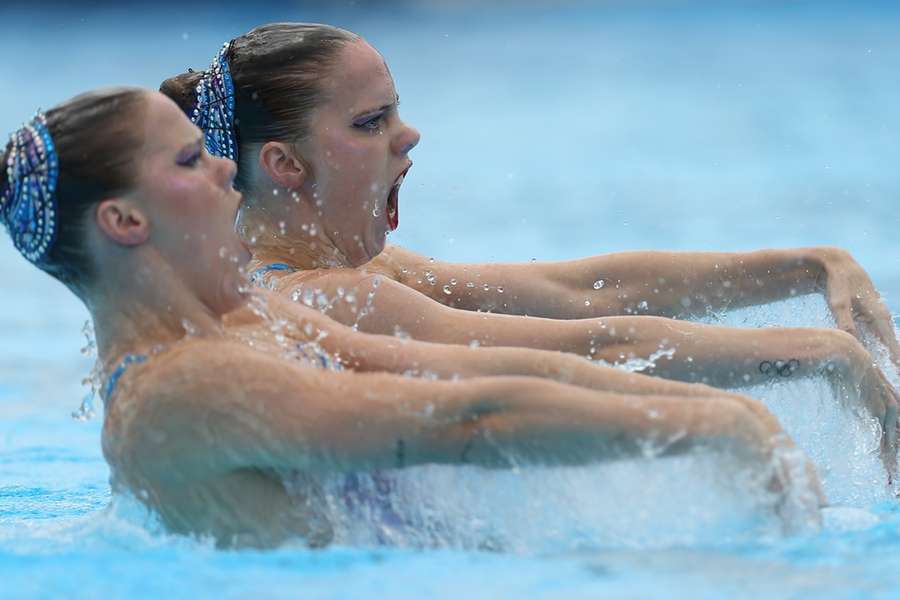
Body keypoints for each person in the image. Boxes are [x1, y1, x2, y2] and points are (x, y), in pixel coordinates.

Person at [0, 88, 820, 548]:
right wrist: (710, 426)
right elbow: (465, 422)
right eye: (188, 160)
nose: (223, 168)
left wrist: (720, 411)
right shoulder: (182, 393)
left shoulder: (248, 325)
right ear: (124, 222)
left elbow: (471, 374)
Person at [159, 24, 900, 414]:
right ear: (286, 166)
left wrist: (810, 265)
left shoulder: (327, 277)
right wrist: (819, 353)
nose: (408, 135)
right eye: (370, 122)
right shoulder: (335, 299)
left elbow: (585, 292)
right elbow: (596, 349)